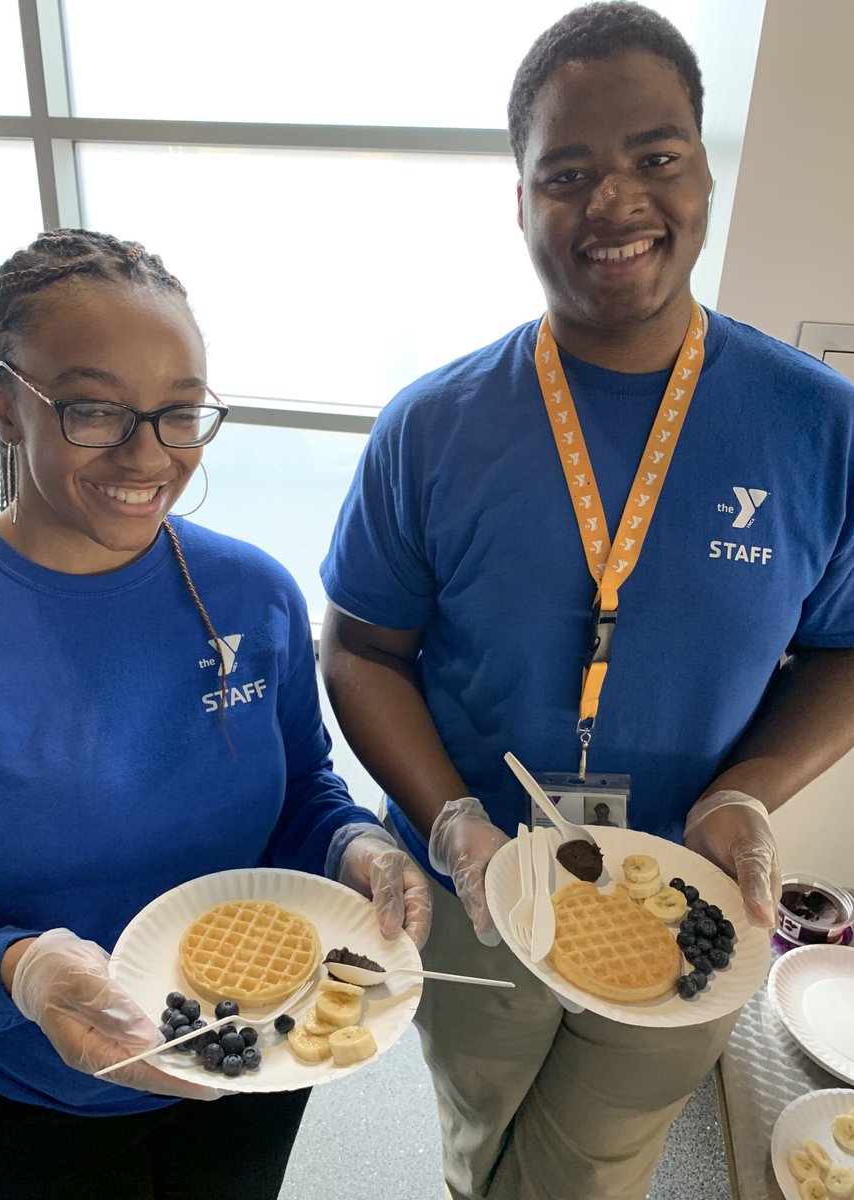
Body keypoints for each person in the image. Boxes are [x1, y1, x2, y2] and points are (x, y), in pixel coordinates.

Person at [318, 4, 854, 1198]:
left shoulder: (816, 424)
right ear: (518, 199)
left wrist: (746, 796)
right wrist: (449, 817)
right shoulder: (433, 428)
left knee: (601, 1160)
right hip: (480, 886)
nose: (614, 200)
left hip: (691, 889)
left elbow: (846, 648)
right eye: (566, 171)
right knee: (479, 1123)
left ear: (706, 168)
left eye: (655, 156)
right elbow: (358, 647)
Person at [0, 228, 432, 1200]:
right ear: (4, 403)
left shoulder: (250, 593)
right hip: (28, 1093)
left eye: (180, 414)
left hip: (252, 1057)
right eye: (94, 409)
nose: (148, 455)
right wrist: (16, 970)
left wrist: (356, 849)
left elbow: (301, 786)